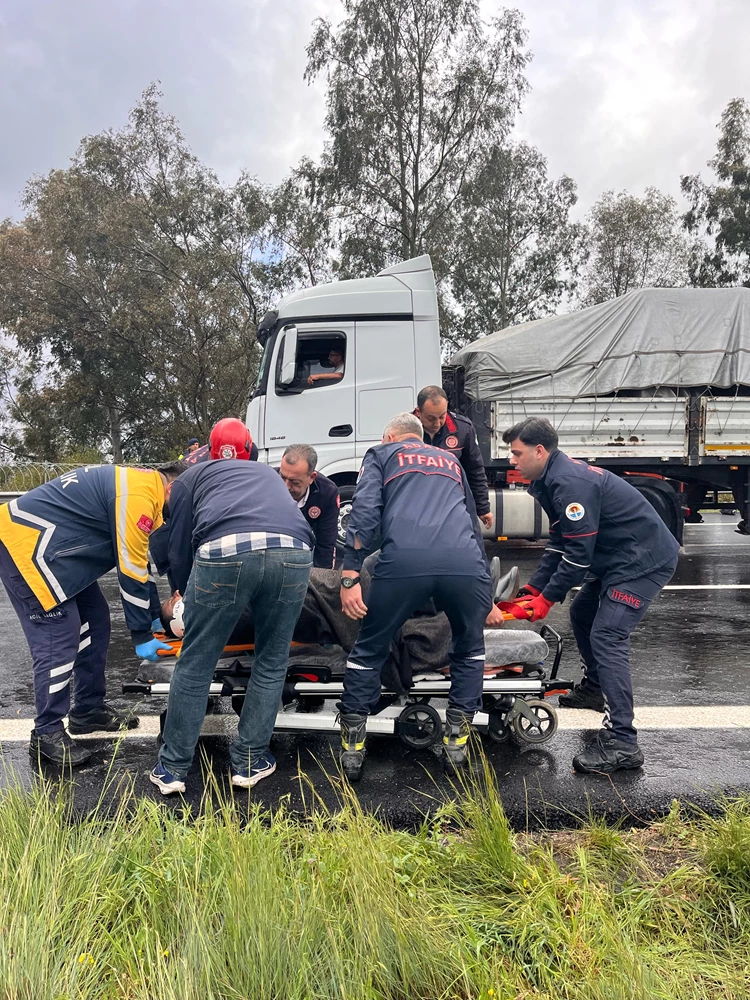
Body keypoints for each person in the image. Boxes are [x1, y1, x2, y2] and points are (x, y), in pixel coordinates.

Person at [503, 417, 680, 774]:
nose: (512, 460)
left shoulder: (570, 483)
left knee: (608, 634)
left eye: (517, 453)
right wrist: (536, 588)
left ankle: (623, 743)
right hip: (618, 558)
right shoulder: (549, 480)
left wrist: (546, 600)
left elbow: (577, 556)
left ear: (540, 451)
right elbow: (560, 540)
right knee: (582, 611)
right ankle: (596, 688)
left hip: (642, 560)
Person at [150, 419, 314, 796]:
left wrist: (183, 595)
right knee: (271, 659)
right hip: (294, 551)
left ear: (209, 451)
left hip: (224, 552)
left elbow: (178, 546)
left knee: (196, 662)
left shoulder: (192, 476)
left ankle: (173, 768)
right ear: (250, 449)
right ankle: (250, 760)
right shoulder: (269, 475)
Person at [337, 412, 492, 781]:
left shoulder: (381, 454)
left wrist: (350, 573)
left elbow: (365, 510)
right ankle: (456, 742)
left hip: (405, 562)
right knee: (469, 648)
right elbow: (471, 521)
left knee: (369, 647)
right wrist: (483, 583)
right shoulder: (451, 461)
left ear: (391, 436)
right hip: (464, 564)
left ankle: (353, 747)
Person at [0, 462, 183, 765]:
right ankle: (46, 732)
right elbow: (129, 568)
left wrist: (153, 616)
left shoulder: (147, 489)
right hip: (27, 549)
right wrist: (141, 634)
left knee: (95, 620)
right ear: (173, 488)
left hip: (58, 553)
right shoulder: (138, 496)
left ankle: (87, 710)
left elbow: (139, 560)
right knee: (59, 636)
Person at [414, 385, 493, 529]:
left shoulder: (463, 429)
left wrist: (482, 508)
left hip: (452, 506)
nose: (437, 423)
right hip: (417, 506)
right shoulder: (404, 429)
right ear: (418, 412)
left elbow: (475, 470)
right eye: (431, 418)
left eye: (442, 416)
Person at [279, 444, 339, 569]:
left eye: (295, 482)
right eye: (282, 477)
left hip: (306, 549)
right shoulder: (268, 481)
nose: (286, 486)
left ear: (311, 477)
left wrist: (321, 577)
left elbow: (326, 544)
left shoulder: (327, 493)